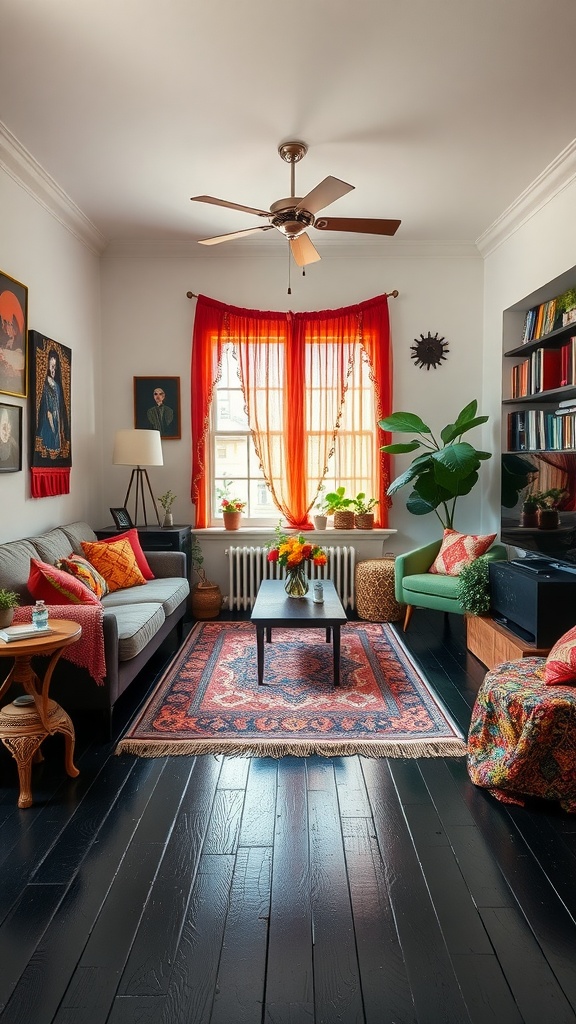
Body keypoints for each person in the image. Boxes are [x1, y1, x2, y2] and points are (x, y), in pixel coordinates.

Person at [38, 349, 64, 455]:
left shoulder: (57, 386)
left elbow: (58, 406)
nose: (53, 370)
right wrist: (53, 428)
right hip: (48, 422)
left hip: (56, 420)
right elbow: (47, 410)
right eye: (51, 367)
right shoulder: (44, 385)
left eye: (55, 367)